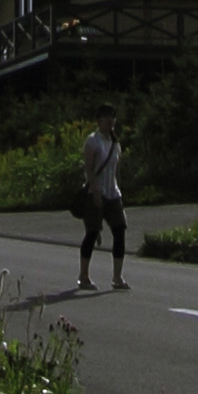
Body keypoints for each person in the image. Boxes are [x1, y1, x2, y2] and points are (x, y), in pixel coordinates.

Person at [76, 107, 131, 290]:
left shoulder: (115, 142)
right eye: (106, 117)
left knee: (119, 230)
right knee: (92, 233)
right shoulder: (93, 141)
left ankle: (117, 276)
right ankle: (83, 276)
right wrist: (95, 192)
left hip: (113, 193)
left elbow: (117, 170)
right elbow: (89, 169)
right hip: (96, 193)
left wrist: (120, 191)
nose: (110, 121)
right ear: (98, 120)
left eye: (112, 117)